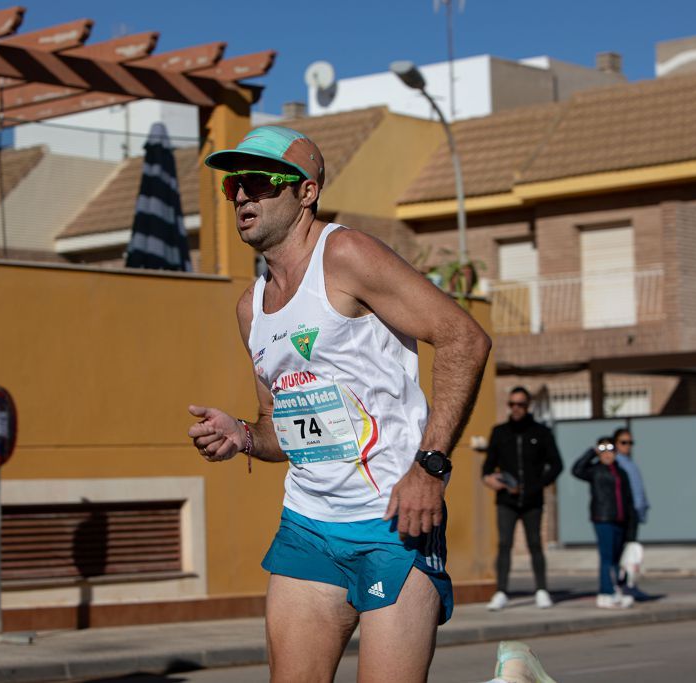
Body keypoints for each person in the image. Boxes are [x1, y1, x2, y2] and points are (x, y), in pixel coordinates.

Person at [187, 125, 491, 682]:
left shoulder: (345, 254)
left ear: (306, 193)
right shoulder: (250, 309)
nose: (244, 197)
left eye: (261, 182)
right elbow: (279, 430)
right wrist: (243, 437)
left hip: (393, 525)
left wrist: (430, 468)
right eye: (236, 186)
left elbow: (462, 338)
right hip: (308, 525)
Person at [482, 387, 563, 611]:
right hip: (506, 500)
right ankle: (501, 591)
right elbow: (487, 468)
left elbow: (556, 465)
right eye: (512, 404)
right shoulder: (499, 432)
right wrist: (493, 481)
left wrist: (537, 485)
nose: (516, 408)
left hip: (533, 500)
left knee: (535, 543)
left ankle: (542, 590)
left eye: (521, 404)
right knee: (504, 544)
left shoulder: (541, 432)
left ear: (528, 406)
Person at [571, 436, 637, 609]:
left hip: (620, 519)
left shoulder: (621, 472)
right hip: (603, 518)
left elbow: (628, 499)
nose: (607, 454)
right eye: (603, 450)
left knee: (617, 559)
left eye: (610, 450)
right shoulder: (595, 471)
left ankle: (615, 590)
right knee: (606, 557)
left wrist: (632, 524)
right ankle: (606, 592)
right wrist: (591, 452)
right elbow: (576, 470)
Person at [612, 428, 648, 593]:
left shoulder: (630, 463)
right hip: (624, 513)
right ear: (616, 444)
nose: (628, 446)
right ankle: (621, 585)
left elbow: (638, 491)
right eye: (623, 442)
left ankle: (629, 584)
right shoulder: (616, 463)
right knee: (622, 553)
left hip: (633, 513)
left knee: (630, 553)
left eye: (630, 442)